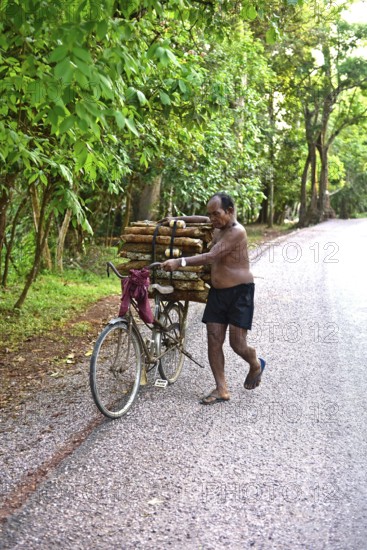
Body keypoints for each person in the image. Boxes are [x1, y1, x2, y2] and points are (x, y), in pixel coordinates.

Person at [161, 192, 266, 405]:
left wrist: (180, 262)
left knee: (238, 344)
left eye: (215, 214)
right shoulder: (217, 225)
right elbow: (199, 219)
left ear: (229, 211)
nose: (212, 219)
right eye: (210, 215)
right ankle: (222, 389)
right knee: (214, 340)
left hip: (240, 292)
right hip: (218, 293)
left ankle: (254, 361)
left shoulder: (237, 232)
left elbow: (212, 256)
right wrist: (176, 221)